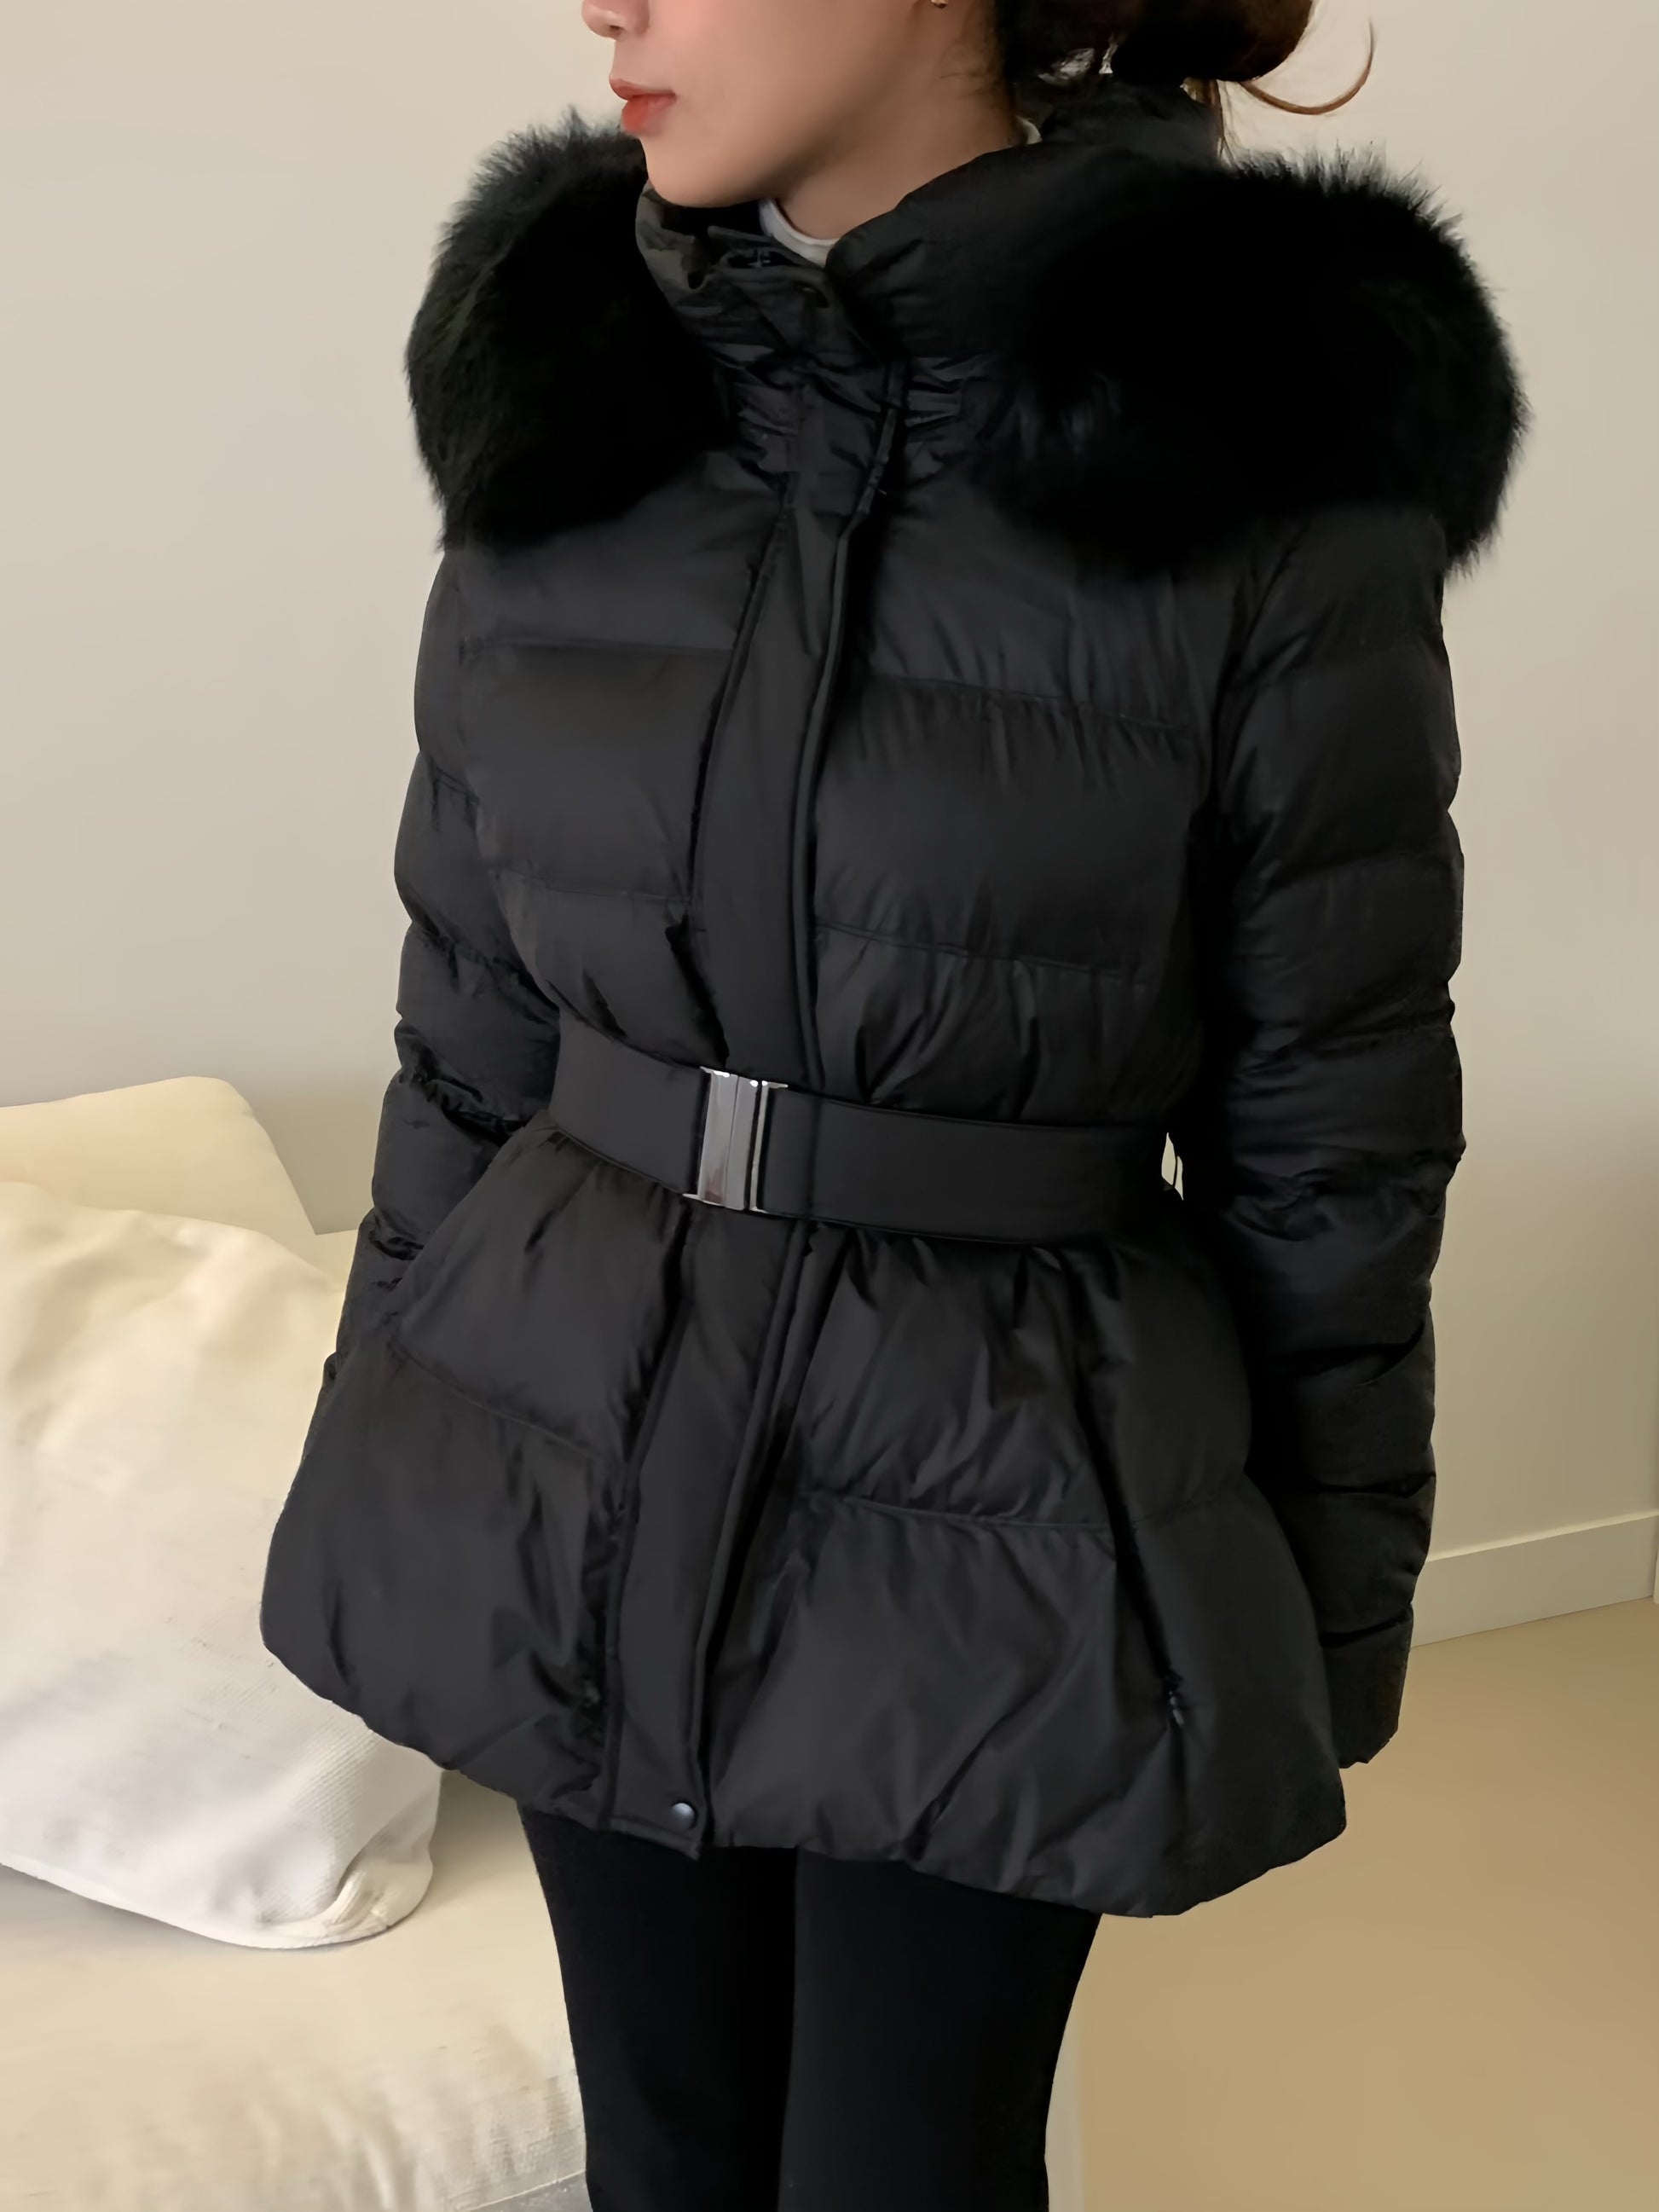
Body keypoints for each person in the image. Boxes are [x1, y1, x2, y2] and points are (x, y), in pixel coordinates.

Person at [260, 0, 1526, 2204]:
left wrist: (1317, 1614)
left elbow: (1333, 1127)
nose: (608, 4)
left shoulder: (1257, 435)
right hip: (569, 1429)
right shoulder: (574, 388)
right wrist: (397, 1436)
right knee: (661, 2161)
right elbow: (469, 1022)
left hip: (1002, 1500)